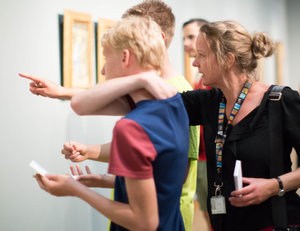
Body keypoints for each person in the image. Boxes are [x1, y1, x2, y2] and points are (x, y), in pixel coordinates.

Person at [82, 20, 300, 231]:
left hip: (275, 223)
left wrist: (274, 186)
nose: (195, 63)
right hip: (225, 224)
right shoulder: (208, 101)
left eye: (201, 56)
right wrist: (65, 93)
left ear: (228, 59)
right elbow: (132, 103)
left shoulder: (280, 102)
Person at [20, 1, 199, 230]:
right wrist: (102, 180)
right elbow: (159, 179)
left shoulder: (131, 127)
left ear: (125, 58)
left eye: (105, 59)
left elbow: (145, 221)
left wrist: (76, 190)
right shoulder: (175, 102)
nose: (103, 70)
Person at [183, 18, 211, 229]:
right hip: (199, 156)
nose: (185, 43)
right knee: (210, 210)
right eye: (184, 38)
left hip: (212, 156)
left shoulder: (212, 78)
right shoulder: (198, 76)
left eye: (191, 37)